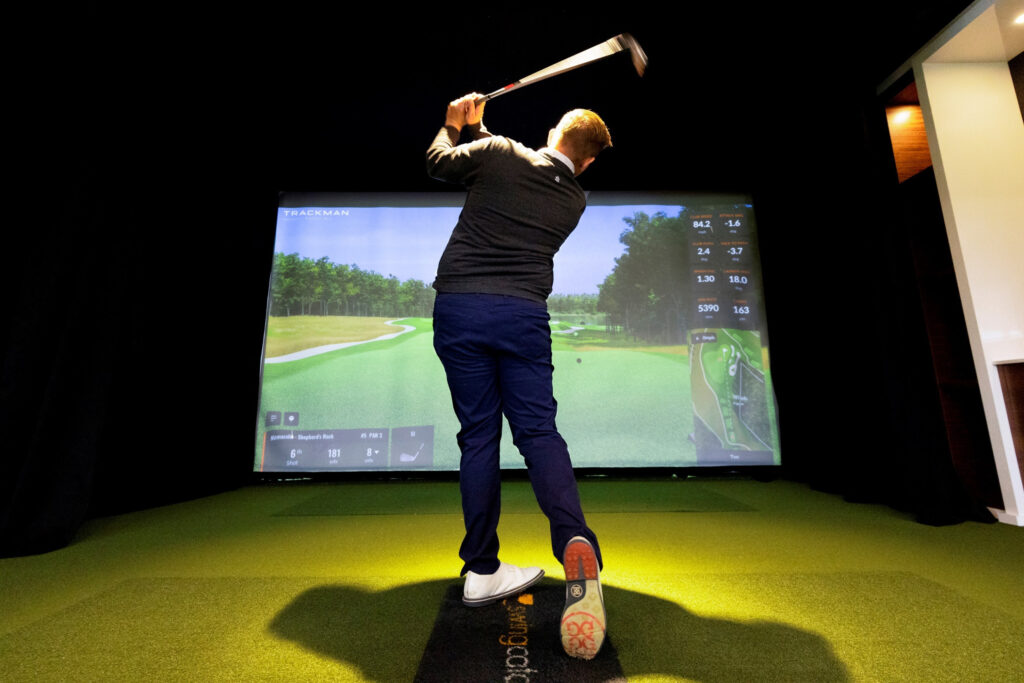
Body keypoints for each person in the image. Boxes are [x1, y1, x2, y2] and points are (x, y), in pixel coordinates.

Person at [426, 93, 611, 660]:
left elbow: (440, 161)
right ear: (588, 162)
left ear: (553, 130)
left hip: (460, 309)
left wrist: (454, 125)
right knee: (538, 435)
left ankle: (482, 568)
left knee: (479, 437)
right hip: (523, 316)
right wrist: (484, 130)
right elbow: (520, 169)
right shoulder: (575, 199)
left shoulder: (502, 153)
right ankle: (574, 540)